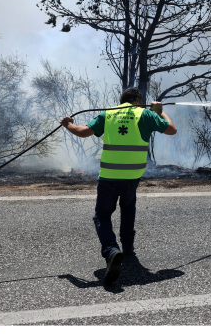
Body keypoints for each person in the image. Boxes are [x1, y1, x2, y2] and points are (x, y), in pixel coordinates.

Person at [60, 87, 176, 285]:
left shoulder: (109, 113)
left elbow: (83, 132)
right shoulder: (145, 114)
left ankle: (112, 251)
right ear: (138, 99)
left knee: (102, 215)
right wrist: (160, 111)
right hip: (133, 175)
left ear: (123, 100)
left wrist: (68, 124)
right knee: (128, 207)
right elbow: (171, 129)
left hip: (109, 175)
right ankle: (128, 248)